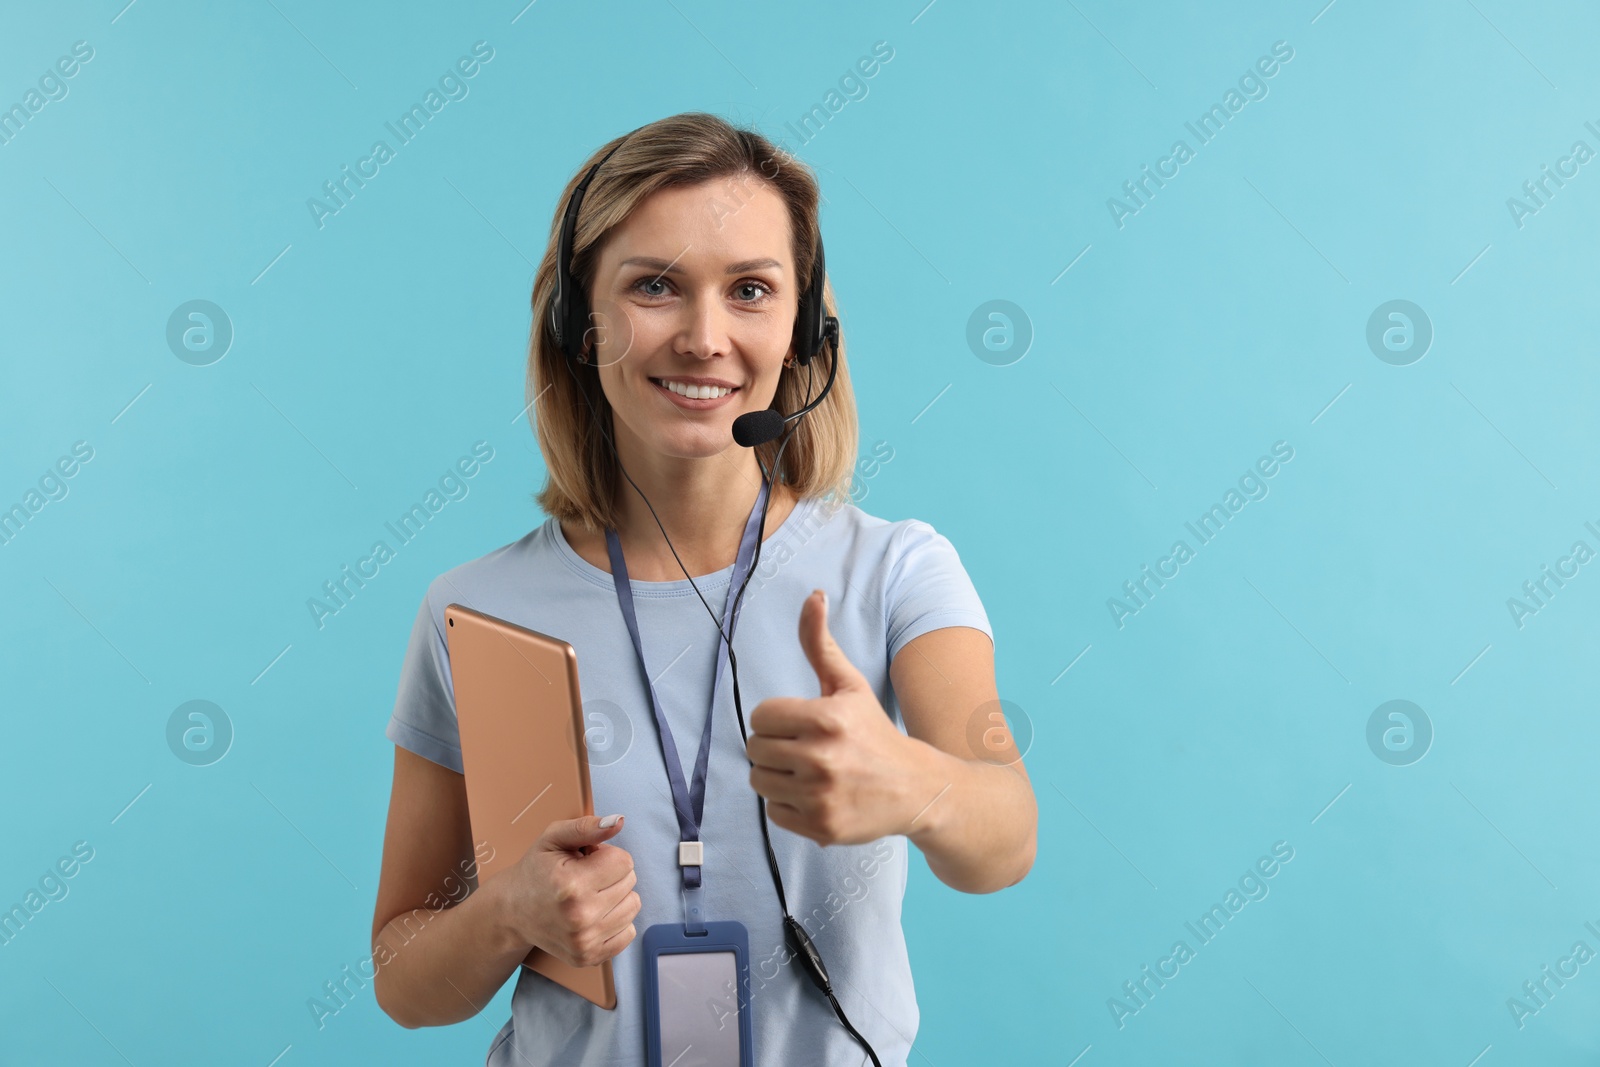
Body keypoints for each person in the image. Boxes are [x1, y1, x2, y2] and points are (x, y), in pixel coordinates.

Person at [369, 111, 1037, 1066]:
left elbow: (1006, 837)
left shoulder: (897, 571)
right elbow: (401, 973)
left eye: (752, 290)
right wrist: (506, 912)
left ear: (805, 329)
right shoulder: (470, 611)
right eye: (655, 286)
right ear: (577, 320)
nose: (704, 337)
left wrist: (916, 784)